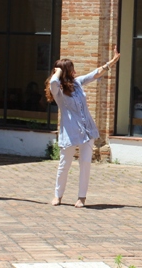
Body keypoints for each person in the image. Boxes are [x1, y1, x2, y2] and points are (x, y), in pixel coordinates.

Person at [47, 49, 120, 207]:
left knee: (85, 163)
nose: (74, 71)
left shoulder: (78, 83)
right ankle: (58, 195)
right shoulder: (58, 90)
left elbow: (95, 74)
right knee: (64, 164)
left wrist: (112, 61)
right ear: (65, 72)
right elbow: (52, 82)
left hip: (87, 130)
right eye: (71, 69)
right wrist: (58, 71)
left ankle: (82, 197)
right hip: (70, 132)